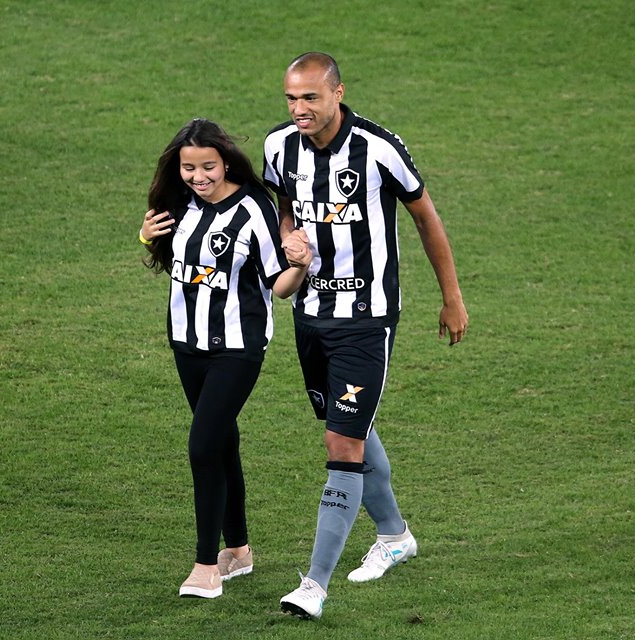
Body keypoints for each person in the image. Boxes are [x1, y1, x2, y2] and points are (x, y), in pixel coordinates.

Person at [262, 52, 469, 619]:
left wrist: (451, 297)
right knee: (348, 428)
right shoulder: (278, 145)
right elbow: (283, 206)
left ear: (337, 93)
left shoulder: (379, 148)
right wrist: (289, 240)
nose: (299, 109)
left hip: (366, 317)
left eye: (310, 98)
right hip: (310, 310)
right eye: (291, 98)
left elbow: (426, 217)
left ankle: (314, 586)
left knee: (341, 444)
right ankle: (395, 536)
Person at [140, 118, 312, 599]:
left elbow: (277, 285)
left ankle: (205, 566)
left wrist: (300, 266)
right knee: (221, 442)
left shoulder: (253, 209)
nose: (199, 176)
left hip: (237, 348)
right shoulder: (177, 202)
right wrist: (145, 234)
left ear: (226, 161)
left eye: (208, 167)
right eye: (189, 167)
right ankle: (237, 550)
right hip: (186, 344)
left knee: (202, 446)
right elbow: (170, 257)